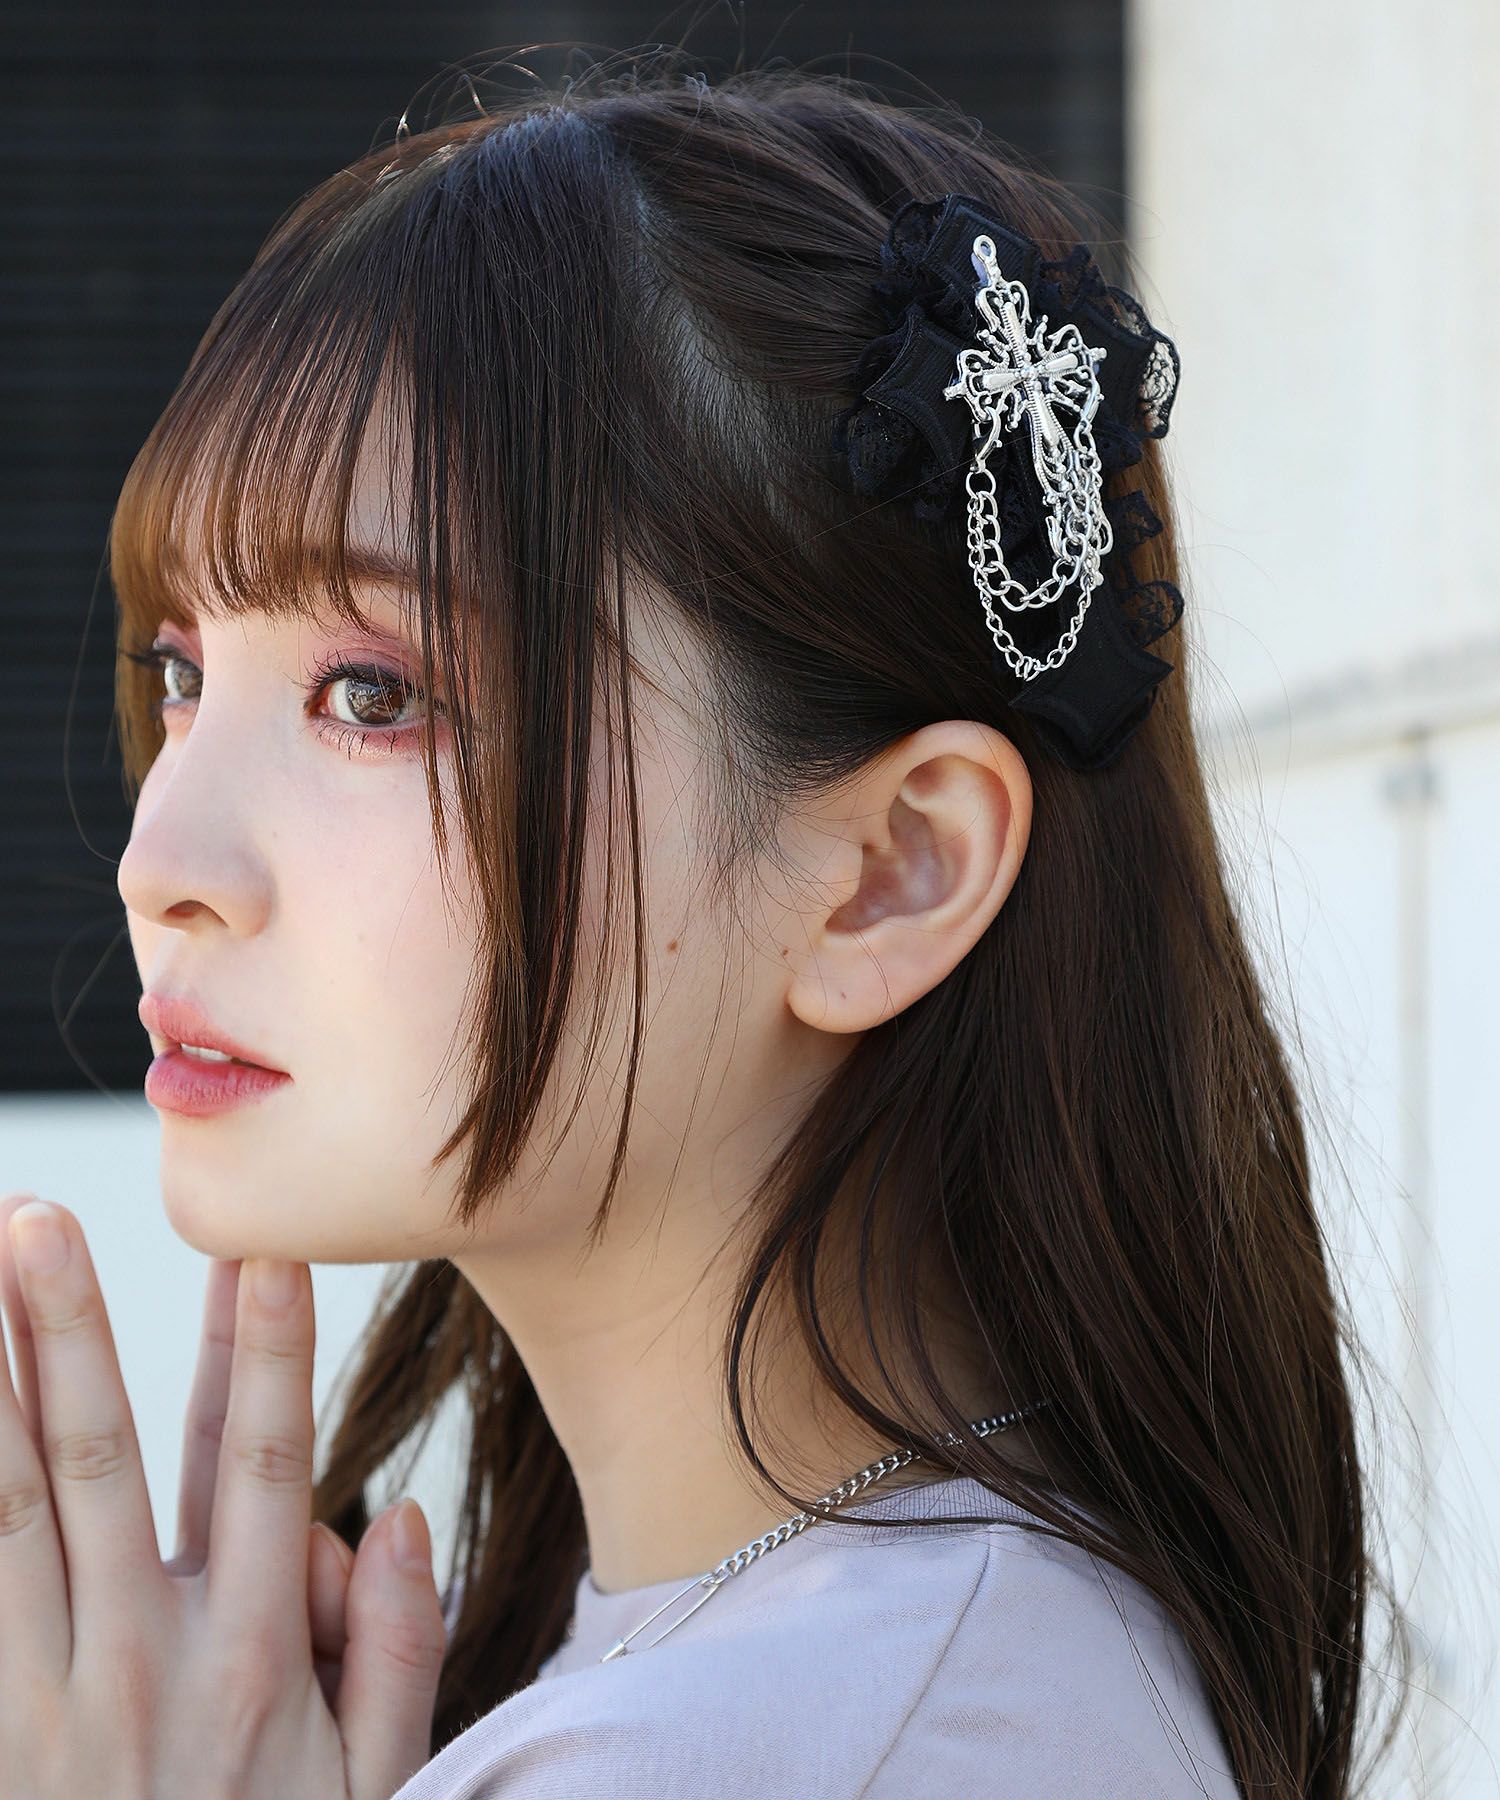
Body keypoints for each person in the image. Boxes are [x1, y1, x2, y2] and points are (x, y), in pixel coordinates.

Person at [6, 48, 1408, 1800]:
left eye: (374, 693)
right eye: (183, 672)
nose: (160, 855)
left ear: (894, 869)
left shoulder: (770, 1741)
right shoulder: (904, 1662)